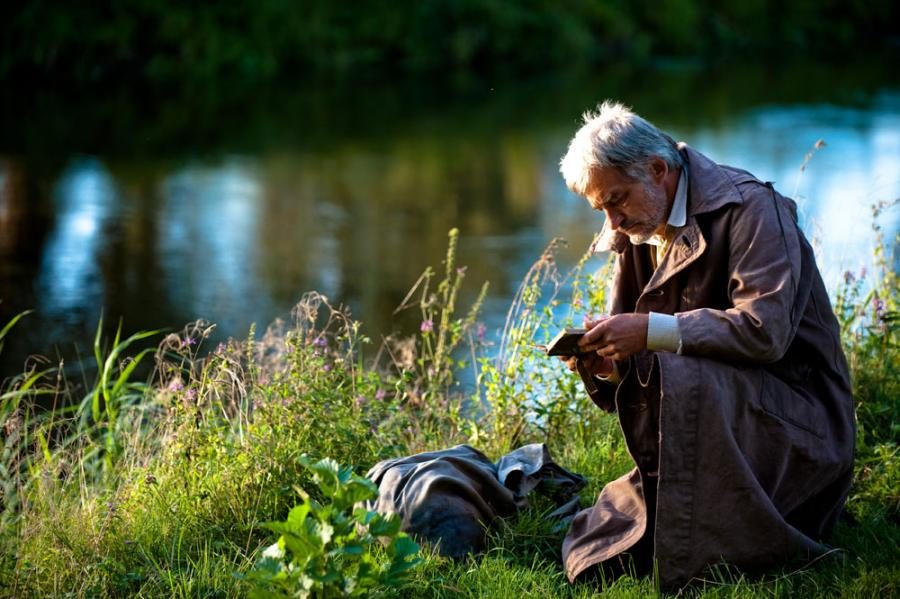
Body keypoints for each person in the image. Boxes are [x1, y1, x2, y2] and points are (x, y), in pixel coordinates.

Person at [556, 101, 855, 590]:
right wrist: (608, 360)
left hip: (800, 425)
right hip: (723, 421)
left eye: (617, 200)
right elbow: (636, 345)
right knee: (598, 544)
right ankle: (689, 532)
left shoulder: (753, 208)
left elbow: (765, 332)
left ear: (657, 169)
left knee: (687, 369)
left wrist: (650, 331)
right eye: (601, 209)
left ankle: (714, 546)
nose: (611, 223)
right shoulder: (637, 221)